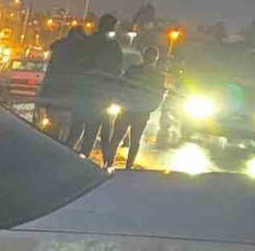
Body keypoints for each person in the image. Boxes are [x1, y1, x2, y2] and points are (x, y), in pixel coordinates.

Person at [70, 13, 125, 158]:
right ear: (112, 28)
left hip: (82, 93)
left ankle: (65, 155)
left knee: (75, 131)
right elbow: (116, 74)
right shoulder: (113, 47)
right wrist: (114, 96)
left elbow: (76, 65)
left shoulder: (87, 42)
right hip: (100, 97)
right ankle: (83, 160)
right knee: (90, 134)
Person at [102, 45, 163, 169]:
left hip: (130, 110)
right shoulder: (156, 76)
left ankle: (110, 164)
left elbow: (121, 86)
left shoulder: (134, 71)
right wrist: (149, 108)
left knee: (119, 138)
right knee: (132, 140)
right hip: (137, 112)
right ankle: (126, 167)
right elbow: (158, 96)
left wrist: (121, 101)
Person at [36, 28, 87, 142]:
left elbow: (50, 75)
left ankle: (52, 145)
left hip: (55, 97)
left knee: (54, 128)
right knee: (66, 129)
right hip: (66, 98)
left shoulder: (59, 49)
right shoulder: (75, 52)